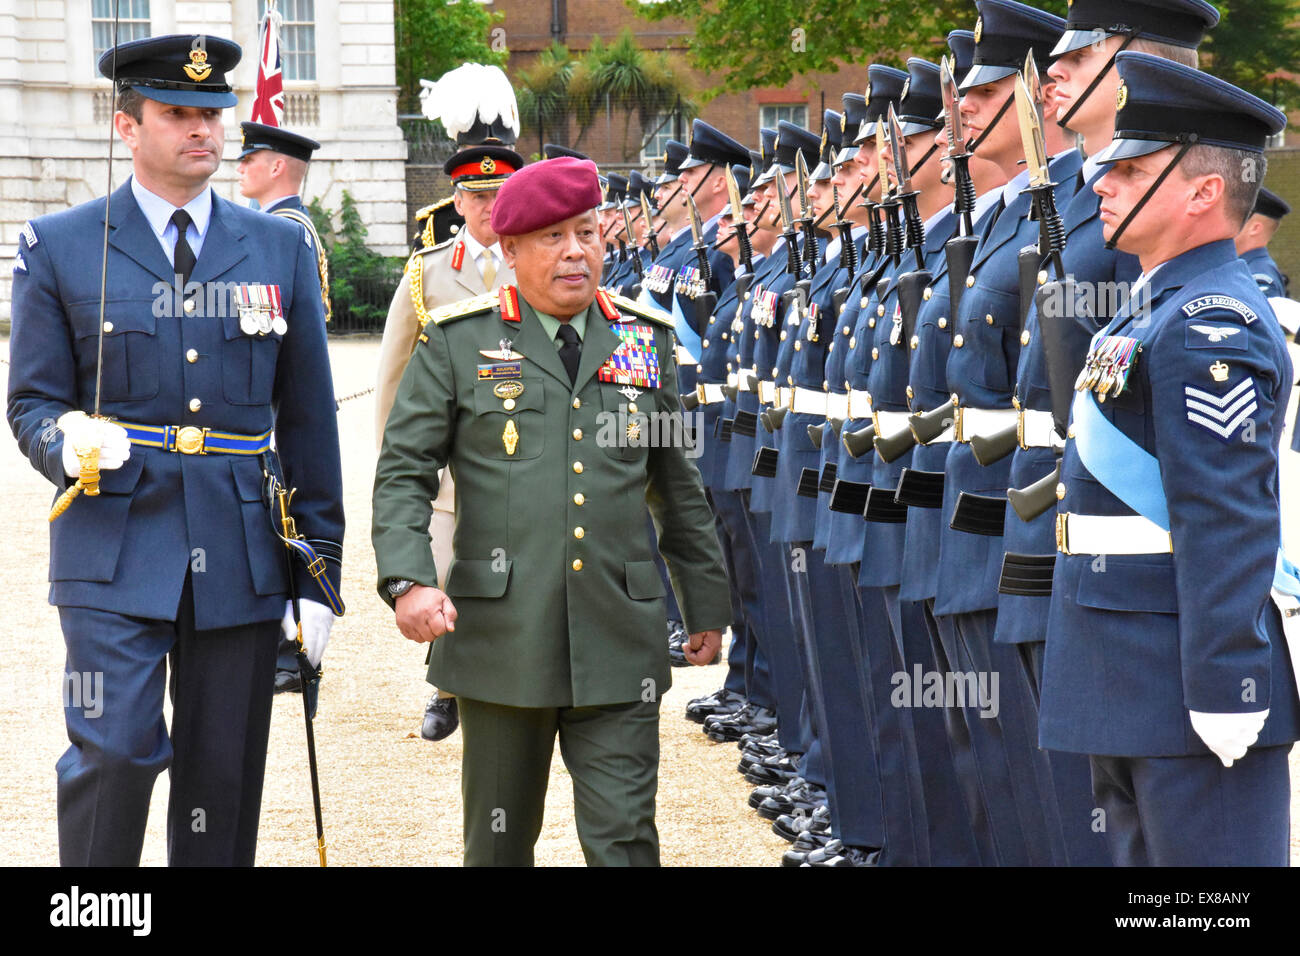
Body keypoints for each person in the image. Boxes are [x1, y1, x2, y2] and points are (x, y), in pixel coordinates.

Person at [6, 33, 343, 866]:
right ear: (126, 126)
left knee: (221, 776)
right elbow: (31, 402)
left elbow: (308, 419)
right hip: (112, 541)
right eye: (177, 113)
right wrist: (62, 440)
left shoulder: (278, 248)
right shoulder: (60, 244)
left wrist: (318, 575)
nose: (203, 129)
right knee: (114, 749)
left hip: (239, 545)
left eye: (213, 114)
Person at [371, 156, 731, 866]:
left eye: (587, 233)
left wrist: (706, 605)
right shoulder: (458, 340)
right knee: (498, 846)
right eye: (553, 237)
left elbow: (677, 487)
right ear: (509, 250)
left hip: (619, 637)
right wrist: (408, 580)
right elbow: (404, 471)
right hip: (502, 639)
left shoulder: (645, 339)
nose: (576, 252)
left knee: (625, 842)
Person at [1038, 51, 1300, 866]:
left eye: (1132, 169)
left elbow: (1225, 514)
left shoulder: (1206, 321)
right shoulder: (1153, 307)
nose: (1102, 183)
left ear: (1203, 192)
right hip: (1125, 665)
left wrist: (1229, 682)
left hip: (1184, 683)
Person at [374, 63, 523, 742]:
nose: (489, 207)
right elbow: (394, 374)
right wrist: (398, 462)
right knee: (446, 572)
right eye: (477, 196)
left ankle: (509, 681)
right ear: (457, 201)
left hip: (521, 449)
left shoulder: (539, 262)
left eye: (500, 194)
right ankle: (447, 686)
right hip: (450, 462)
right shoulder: (426, 272)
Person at [237, 119, 336, 694]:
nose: (240, 165)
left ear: (277, 167)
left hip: (277, 398)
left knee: (282, 513)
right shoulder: (289, 226)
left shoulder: (285, 231)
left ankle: (291, 646)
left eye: (251, 158)